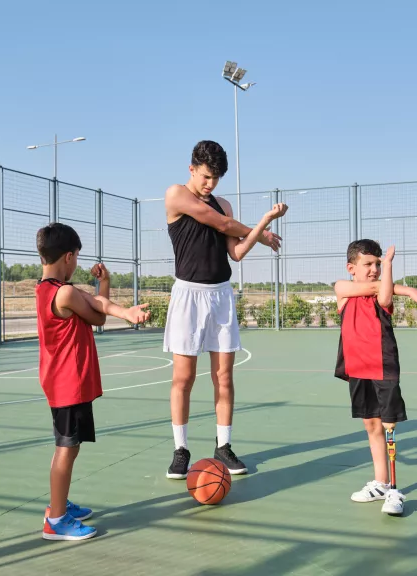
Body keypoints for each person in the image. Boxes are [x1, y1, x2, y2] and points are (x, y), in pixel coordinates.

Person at [163, 140, 287, 479]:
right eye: (205, 177)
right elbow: (217, 224)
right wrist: (260, 233)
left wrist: (262, 223)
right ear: (191, 169)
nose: (210, 184)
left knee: (224, 377)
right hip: (188, 294)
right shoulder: (176, 194)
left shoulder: (225, 204)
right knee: (183, 378)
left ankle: (223, 446)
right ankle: (181, 450)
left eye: (216, 178)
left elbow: (237, 252)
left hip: (220, 295)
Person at [36, 222, 150, 540]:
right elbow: (99, 312)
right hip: (66, 383)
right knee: (66, 448)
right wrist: (126, 313)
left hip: (69, 382)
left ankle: (60, 504)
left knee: (70, 447)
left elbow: (96, 312)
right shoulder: (66, 292)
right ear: (69, 257)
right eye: (77, 258)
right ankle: (55, 520)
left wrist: (106, 285)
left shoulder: (49, 290)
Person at [334, 239, 417, 515]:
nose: (374, 269)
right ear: (350, 267)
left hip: (383, 366)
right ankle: (379, 482)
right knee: (371, 424)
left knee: (389, 427)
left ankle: (393, 489)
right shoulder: (342, 289)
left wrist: (391, 266)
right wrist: (409, 289)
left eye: (378, 264)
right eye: (367, 264)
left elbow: (383, 295)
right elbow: (369, 287)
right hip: (357, 367)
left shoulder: (382, 298)